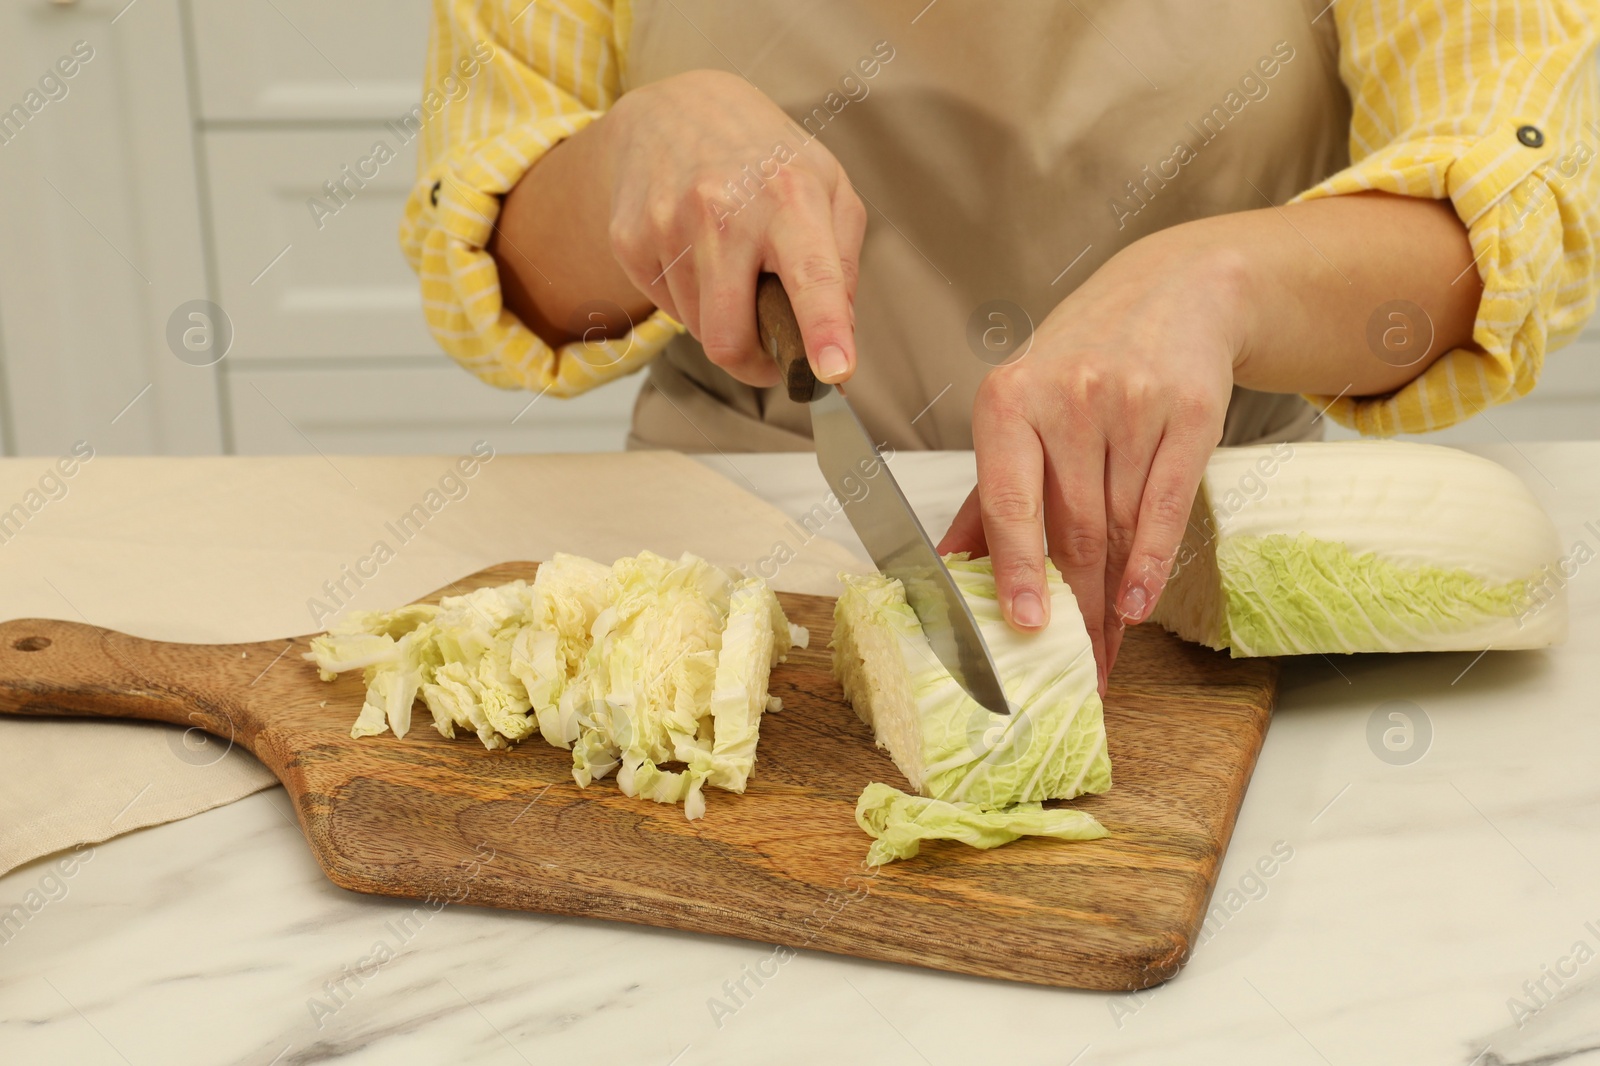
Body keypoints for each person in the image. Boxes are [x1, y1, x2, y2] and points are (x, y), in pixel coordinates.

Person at [401, 1, 1599, 693]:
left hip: (1196, 569)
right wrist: (626, 160)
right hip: (729, 525)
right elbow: (504, 273)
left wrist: (1224, 281)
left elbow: (1515, 210)